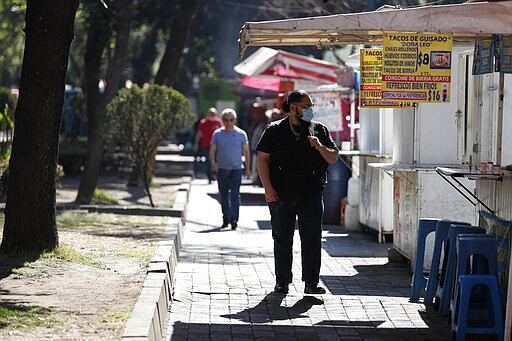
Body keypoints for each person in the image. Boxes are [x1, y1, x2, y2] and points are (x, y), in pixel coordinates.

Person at [256, 90, 339, 295]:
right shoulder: (274, 130)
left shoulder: (319, 130)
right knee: (282, 238)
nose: (310, 110)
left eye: (311, 106)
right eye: (306, 106)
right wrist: (268, 187)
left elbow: (333, 157)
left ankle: (311, 282)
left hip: (311, 193)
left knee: (311, 238)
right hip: (282, 194)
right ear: (293, 108)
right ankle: (282, 281)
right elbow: (262, 160)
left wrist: (319, 147)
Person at [209, 109, 251, 230]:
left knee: (235, 194)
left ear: (235, 120)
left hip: (237, 169)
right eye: (226, 120)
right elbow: (212, 151)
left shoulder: (241, 134)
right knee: (223, 195)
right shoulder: (217, 134)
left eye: (231, 120)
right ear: (222, 120)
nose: (228, 122)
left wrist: (248, 169)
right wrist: (212, 162)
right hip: (222, 169)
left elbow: (246, 152)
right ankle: (225, 217)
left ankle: (234, 219)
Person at [194, 108, 223, 183]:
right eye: (211, 114)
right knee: (209, 161)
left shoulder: (218, 122)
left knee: (217, 160)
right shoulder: (203, 122)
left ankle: (215, 174)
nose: (212, 115)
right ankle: (210, 176)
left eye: (213, 114)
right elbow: (199, 134)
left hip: (217, 145)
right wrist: (196, 144)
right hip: (206, 145)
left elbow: (223, 133)